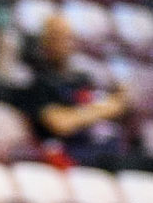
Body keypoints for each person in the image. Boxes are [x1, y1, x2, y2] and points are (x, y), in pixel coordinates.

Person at [18, 12, 142, 169]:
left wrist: (97, 110)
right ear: (44, 42)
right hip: (74, 155)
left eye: (69, 38)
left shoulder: (82, 79)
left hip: (107, 149)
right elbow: (61, 123)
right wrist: (105, 109)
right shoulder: (39, 83)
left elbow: (118, 104)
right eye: (57, 37)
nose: (64, 43)